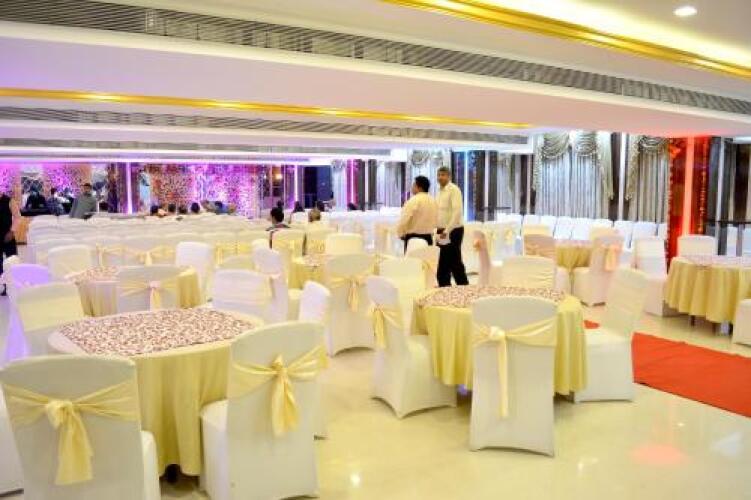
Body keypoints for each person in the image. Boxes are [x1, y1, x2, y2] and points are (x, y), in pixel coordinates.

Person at [435, 167, 468, 287]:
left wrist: (447, 230)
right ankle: (445, 288)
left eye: (443, 175)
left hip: (453, 230)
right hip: (441, 230)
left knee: (454, 262)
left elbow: (457, 213)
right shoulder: (439, 191)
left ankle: (463, 288)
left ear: (449, 176)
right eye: (439, 175)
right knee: (443, 262)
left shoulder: (454, 190)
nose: (440, 177)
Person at [396, 176, 437, 251]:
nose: (412, 187)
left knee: (412, 258)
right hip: (428, 238)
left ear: (419, 188)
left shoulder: (413, 200)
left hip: (413, 239)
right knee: (426, 258)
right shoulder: (433, 201)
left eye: (414, 185)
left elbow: (404, 219)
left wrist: (400, 233)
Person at [0, 191, 20, 294]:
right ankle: (4, 285)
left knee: (12, 260)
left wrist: (12, 231)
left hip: (8, 235)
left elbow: (17, 217)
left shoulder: (9, 200)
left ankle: (14, 285)